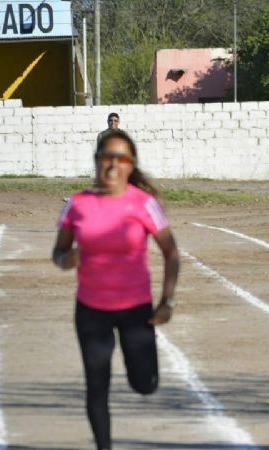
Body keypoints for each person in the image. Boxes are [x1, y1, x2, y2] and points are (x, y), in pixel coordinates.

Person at [52, 128, 180, 450]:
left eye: (120, 158)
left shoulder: (144, 204)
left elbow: (171, 252)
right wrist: (69, 260)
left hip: (135, 310)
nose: (112, 165)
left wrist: (167, 301)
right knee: (97, 387)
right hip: (91, 311)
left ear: (130, 165)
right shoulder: (76, 204)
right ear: (96, 162)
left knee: (145, 384)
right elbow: (59, 253)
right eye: (105, 157)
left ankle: (143, 376)